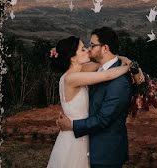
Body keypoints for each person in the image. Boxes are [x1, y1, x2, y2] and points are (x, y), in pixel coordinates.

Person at [46, 34, 132, 168]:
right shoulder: (71, 78)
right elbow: (107, 74)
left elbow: (104, 62)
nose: (88, 50)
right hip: (74, 137)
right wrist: (129, 67)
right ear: (73, 58)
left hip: (82, 134)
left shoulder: (82, 70)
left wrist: (122, 58)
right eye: (82, 49)